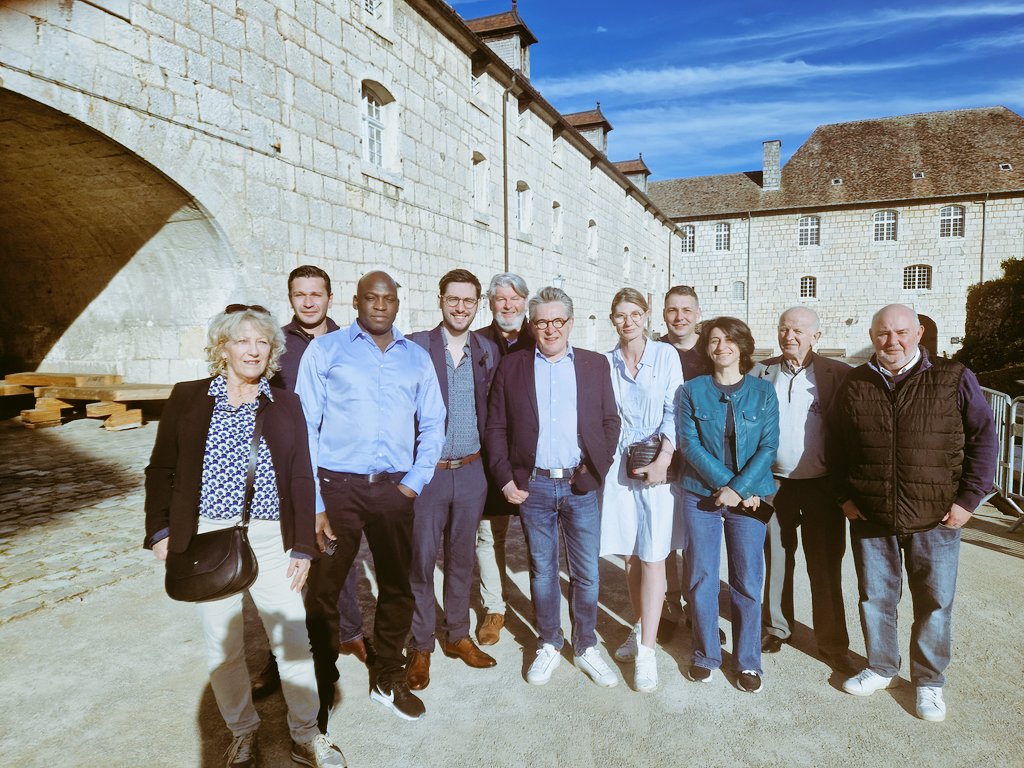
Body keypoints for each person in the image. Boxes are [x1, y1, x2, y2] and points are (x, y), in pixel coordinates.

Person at [143, 304, 345, 768]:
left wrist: (303, 546)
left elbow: (300, 477)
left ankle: (306, 735)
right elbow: (161, 468)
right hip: (207, 537)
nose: (253, 350)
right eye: (243, 341)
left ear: (272, 351)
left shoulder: (285, 403)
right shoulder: (189, 397)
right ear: (223, 348)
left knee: (293, 639)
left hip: (273, 538)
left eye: (262, 342)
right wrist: (160, 530)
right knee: (223, 644)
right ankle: (242, 732)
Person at [829, 304, 997, 722]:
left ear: (919, 333)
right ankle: (882, 667)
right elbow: (835, 443)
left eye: (901, 332)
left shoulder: (953, 376)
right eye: (883, 333)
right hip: (872, 517)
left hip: (936, 517)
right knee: (875, 599)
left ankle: (929, 681)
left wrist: (969, 501)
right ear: (872, 336)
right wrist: (843, 496)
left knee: (935, 603)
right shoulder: (856, 382)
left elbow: (983, 438)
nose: (893, 341)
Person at [296, 271, 446, 724]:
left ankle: (387, 677)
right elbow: (306, 427)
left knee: (397, 585)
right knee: (323, 589)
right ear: (356, 301)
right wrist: (316, 503)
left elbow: (433, 423)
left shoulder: (416, 358)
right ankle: (321, 684)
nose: (380, 306)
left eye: (388, 299)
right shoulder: (326, 351)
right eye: (371, 298)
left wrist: (413, 483)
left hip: (393, 490)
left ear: (398, 304)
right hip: (337, 491)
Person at [484, 286, 621, 687]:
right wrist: (505, 479)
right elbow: (495, 427)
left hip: (581, 484)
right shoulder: (513, 366)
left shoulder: (594, 365)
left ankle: (585, 645)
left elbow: (610, 422)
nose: (550, 329)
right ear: (531, 325)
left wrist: (596, 470)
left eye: (557, 320)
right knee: (543, 571)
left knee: (587, 573)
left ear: (570, 323)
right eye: (541, 321)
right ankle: (548, 642)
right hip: (535, 486)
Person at [255, 267, 368, 706]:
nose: (308, 302)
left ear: (330, 297)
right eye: (299, 294)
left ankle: (350, 633)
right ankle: (280, 653)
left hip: (336, 467)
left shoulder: (350, 342)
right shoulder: (276, 346)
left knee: (340, 556)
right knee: (288, 564)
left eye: (315, 294)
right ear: (290, 298)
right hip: (287, 470)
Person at [405, 269, 500, 691]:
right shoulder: (416, 347)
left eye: (468, 301)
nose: (460, 307)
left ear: (478, 305)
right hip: (429, 474)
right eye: (453, 299)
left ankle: (457, 634)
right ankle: (421, 643)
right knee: (422, 561)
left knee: (462, 559)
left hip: (472, 471)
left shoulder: (485, 350)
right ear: (440, 300)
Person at [676, 316, 779, 694]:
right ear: (706, 348)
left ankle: (748, 660)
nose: (721, 346)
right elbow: (689, 445)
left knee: (747, 580)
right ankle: (705, 655)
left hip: (749, 499)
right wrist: (728, 485)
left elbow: (769, 446)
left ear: (743, 346)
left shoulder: (763, 392)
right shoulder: (691, 391)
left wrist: (739, 489)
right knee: (701, 577)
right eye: (714, 340)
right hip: (700, 494)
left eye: (729, 339)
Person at [753, 307, 855, 673]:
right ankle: (776, 628)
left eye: (798, 330)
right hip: (774, 483)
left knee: (825, 565)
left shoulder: (838, 375)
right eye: (784, 329)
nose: (789, 336)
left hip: (822, 486)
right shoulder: (760, 372)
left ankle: (832, 642)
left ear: (817, 336)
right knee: (777, 560)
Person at [599, 288, 684, 693]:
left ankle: (648, 652)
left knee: (653, 555)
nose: (628, 321)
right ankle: (640, 626)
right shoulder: (607, 362)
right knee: (631, 555)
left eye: (635, 313)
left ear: (647, 316)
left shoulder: (666, 356)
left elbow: (675, 410)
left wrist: (664, 459)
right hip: (619, 464)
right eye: (620, 315)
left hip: (657, 461)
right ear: (612, 319)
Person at [473, 272, 536, 645]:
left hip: (532, 457)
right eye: (501, 299)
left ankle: (542, 605)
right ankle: (494, 607)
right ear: (491, 303)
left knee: (537, 536)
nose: (508, 306)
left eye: (515, 299)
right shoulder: (477, 343)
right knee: (489, 535)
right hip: (490, 454)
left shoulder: (541, 339)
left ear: (525, 302)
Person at [657, 285, 706, 641]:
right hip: (664, 457)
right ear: (664, 315)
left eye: (686, 310)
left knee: (697, 539)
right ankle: (668, 606)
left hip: (702, 459)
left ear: (698, 314)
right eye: (673, 310)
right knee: (663, 537)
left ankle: (698, 609)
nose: (679, 317)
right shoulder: (654, 350)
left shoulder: (712, 350)